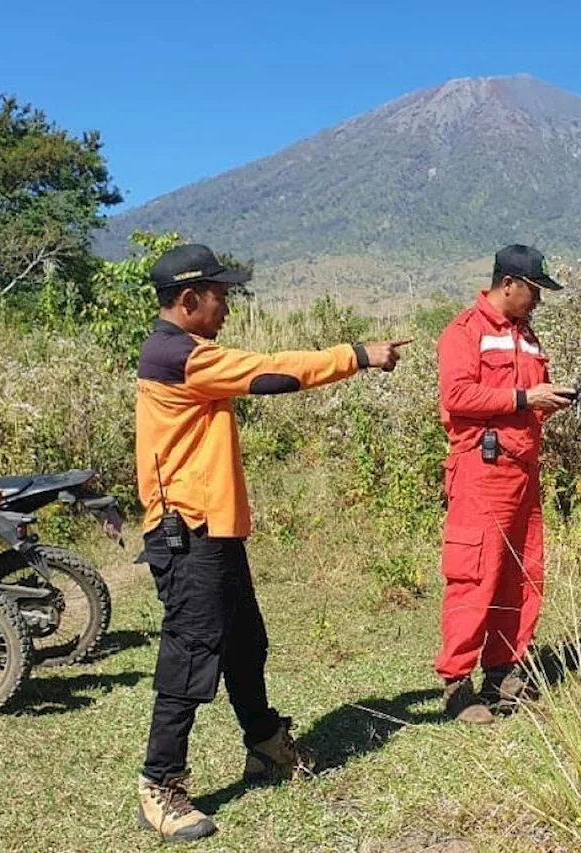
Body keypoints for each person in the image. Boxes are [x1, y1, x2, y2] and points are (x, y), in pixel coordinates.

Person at [133, 243, 410, 842]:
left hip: (214, 529)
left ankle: (263, 745)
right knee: (191, 653)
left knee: (244, 643)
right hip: (188, 532)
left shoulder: (184, 351)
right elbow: (272, 372)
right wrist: (356, 355)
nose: (227, 307)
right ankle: (159, 786)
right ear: (189, 300)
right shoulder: (178, 356)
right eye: (221, 296)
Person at [433, 244, 575, 724]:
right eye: (533, 291)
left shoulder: (528, 336)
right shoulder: (464, 331)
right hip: (481, 469)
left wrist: (543, 401)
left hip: (523, 471)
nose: (537, 300)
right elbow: (456, 395)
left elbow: (528, 395)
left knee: (521, 574)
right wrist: (522, 396)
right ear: (508, 283)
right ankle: (458, 685)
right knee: (475, 574)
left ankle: (502, 672)